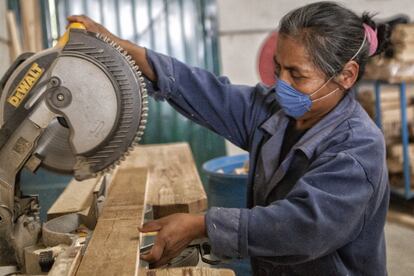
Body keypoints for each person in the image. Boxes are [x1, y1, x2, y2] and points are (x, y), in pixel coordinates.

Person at [68, 1, 391, 275]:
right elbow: (205, 91)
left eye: (297, 74)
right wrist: (118, 46)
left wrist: (204, 226)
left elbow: (304, 227)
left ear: (346, 76)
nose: (281, 84)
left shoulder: (357, 149)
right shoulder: (274, 112)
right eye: (278, 69)